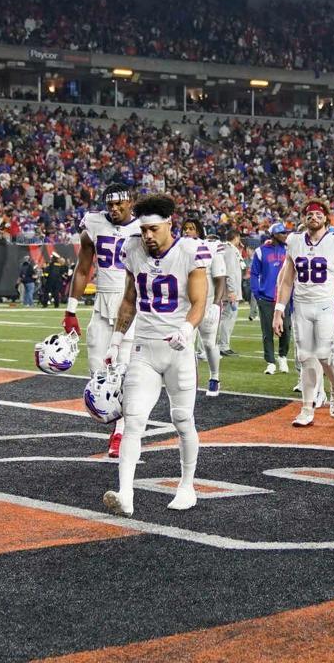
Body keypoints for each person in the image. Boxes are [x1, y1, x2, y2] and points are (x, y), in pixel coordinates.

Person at [102, 195, 209, 517]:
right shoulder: (132, 248)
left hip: (178, 349)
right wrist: (116, 339)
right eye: (143, 229)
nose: (147, 235)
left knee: (182, 419)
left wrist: (188, 330)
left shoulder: (190, 250)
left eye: (153, 229)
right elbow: (129, 298)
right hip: (144, 348)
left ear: (169, 225)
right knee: (133, 420)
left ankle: (187, 485)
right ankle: (125, 493)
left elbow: (199, 300)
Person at [63, 183, 141, 458]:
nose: (115, 209)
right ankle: (117, 424)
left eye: (120, 204)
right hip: (102, 306)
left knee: (126, 374)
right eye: (110, 205)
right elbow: (83, 269)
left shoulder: (144, 226)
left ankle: (121, 432)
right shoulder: (94, 223)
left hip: (131, 306)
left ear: (132, 202)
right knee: (98, 374)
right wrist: (71, 310)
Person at [272, 199, 334, 427]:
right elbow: (287, 280)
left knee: (325, 354)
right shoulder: (294, 241)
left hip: (326, 303)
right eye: (309, 214)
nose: (313, 217)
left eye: (318, 214)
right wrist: (279, 310)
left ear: (326, 218)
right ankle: (307, 408)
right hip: (301, 305)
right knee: (306, 357)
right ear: (304, 219)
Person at [182, 218, 227, 398]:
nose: (187, 231)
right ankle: (191, 381)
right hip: (187, 305)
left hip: (207, 303)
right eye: (185, 228)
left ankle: (215, 377)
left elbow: (220, 278)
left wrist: (216, 303)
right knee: (186, 344)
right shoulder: (179, 250)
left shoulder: (211, 248)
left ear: (199, 231)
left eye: (191, 228)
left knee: (209, 344)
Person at [251, 222, 290, 375]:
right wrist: (256, 293)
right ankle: (270, 362)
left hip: (284, 298)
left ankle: (282, 357)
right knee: (267, 331)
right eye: (282, 233)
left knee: (286, 329)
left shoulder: (289, 250)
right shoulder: (260, 251)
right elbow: (254, 273)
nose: (285, 235)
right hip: (266, 297)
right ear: (274, 235)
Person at [218, 228, 243, 357]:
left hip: (230, 290)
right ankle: (223, 345)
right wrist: (232, 291)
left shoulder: (228, 250)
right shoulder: (230, 251)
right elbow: (230, 273)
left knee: (226, 318)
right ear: (236, 237)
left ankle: (222, 344)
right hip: (230, 292)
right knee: (228, 318)